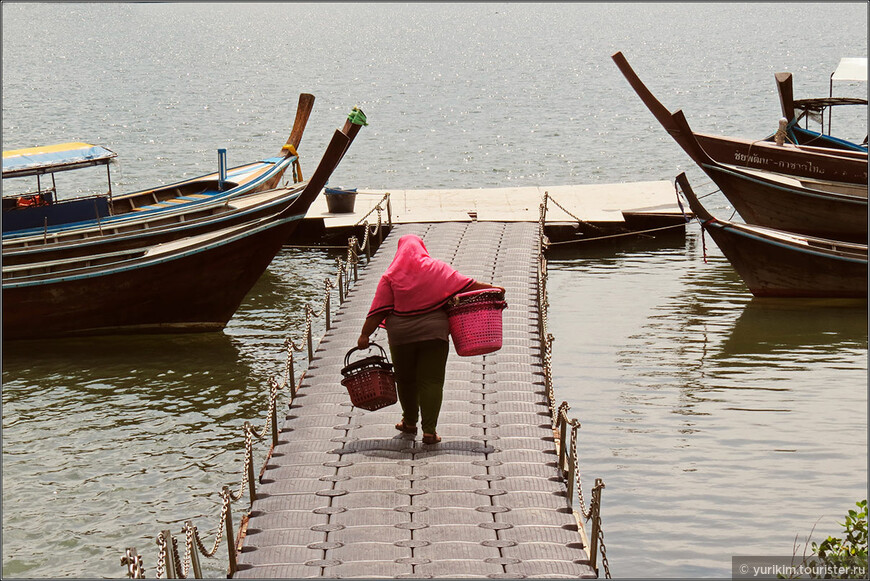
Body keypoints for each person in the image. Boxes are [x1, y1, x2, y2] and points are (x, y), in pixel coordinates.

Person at [357, 234, 504, 444]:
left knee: (406, 380)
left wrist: (364, 335)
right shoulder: (437, 269)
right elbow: (467, 285)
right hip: (434, 333)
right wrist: (493, 289)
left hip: (401, 336)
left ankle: (409, 423)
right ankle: (429, 431)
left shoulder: (390, 276)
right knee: (432, 381)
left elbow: (377, 311)